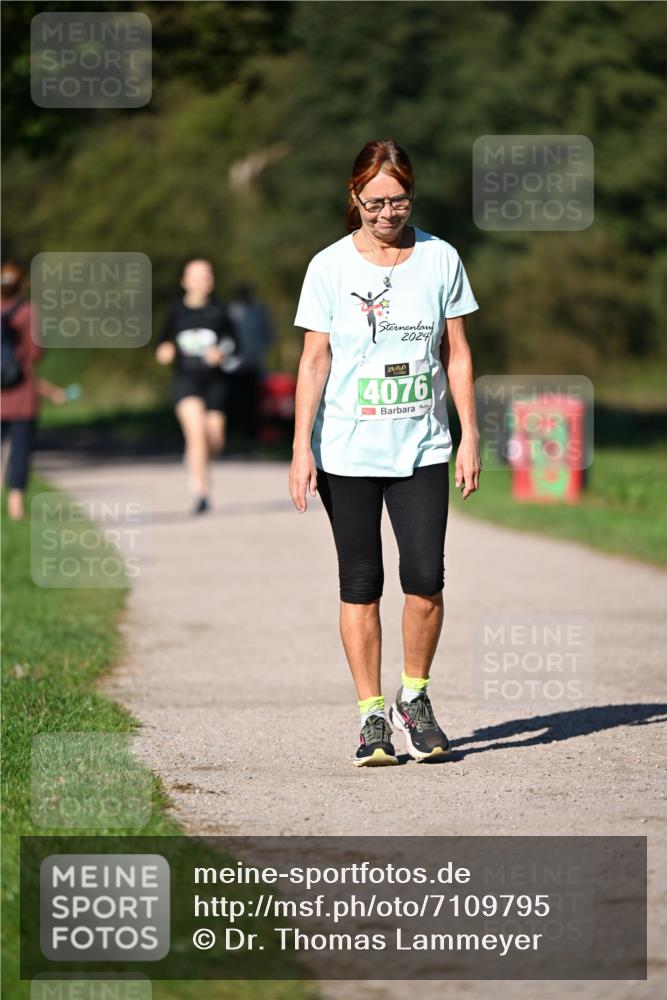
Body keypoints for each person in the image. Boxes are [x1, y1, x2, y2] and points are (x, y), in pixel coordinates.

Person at [289, 139, 481, 767]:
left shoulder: (441, 259)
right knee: (360, 583)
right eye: (374, 202)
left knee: (425, 579)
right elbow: (314, 360)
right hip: (347, 451)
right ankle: (372, 715)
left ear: (411, 196)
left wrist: (469, 434)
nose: (387, 213)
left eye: (397, 201)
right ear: (355, 197)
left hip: (422, 445)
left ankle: (415, 698)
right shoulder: (329, 267)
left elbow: (456, 352)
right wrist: (300, 447)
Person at [155, 259, 236, 514]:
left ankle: (195, 461)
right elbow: (162, 344)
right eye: (197, 276)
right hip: (185, 379)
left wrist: (221, 353)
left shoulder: (220, 311)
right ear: (184, 281)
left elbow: (234, 343)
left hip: (214, 381)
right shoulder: (175, 311)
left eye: (207, 276)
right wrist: (164, 351)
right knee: (196, 432)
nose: (203, 281)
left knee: (215, 440)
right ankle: (201, 491)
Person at [1, 261, 45, 520]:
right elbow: (36, 352)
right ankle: (15, 506)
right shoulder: (29, 312)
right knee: (20, 450)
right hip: (22, 393)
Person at [226, 282, 275, 443]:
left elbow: (267, 334)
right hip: (232, 364)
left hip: (253, 362)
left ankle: (251, 434)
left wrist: (259, 350)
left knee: (252, 400)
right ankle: (232, 434)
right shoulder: (230, 310)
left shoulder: (259, 310)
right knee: (233, 399)